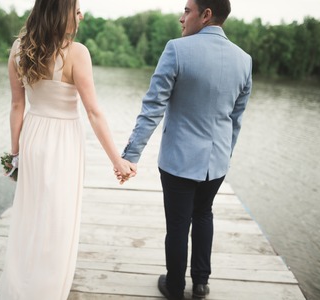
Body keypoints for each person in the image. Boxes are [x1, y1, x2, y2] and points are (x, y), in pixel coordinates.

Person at [0, 0, 136, 299]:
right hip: (63, 143)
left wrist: (15, 154)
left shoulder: (19, 48)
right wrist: (117, 160)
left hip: (33, 137)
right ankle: (45, 289)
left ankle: (22, 285)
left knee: (30, 216)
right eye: (77, 8)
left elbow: (17, 106)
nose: (81, 14)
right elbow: (94, 112)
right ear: (61, 11)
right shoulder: (77, 53)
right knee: (57, 219)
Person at [120, 0, 252, 299]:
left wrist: (131, 155)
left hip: (179, 160)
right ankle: (201, 283)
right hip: (216, 162)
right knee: (204, 214)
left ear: (206, 15)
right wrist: (224, 155)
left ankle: (175, 287)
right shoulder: (244, 60)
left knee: (178, 225)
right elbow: (236, 119)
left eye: (187, 11)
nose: (182, 19)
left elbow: (153, 107)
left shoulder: (177, 50)